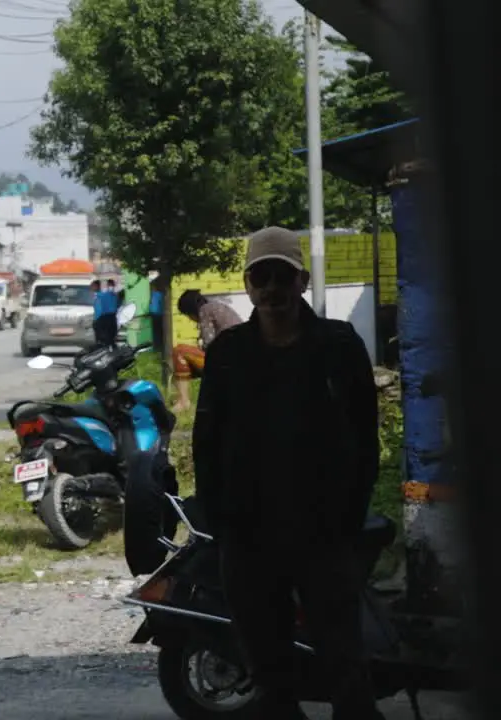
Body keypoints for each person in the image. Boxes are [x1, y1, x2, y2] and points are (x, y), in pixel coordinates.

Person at [193, 226, 382, 720]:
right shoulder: (229, 354)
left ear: (301, 281)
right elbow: (206, 442)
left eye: (283, 275)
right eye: (262, 276)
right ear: (248, 284)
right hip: (249, 535)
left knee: (346, 664)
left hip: (324, 532)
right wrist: (221, 524)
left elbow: (365, 436)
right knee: (269, 674)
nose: (273, 288)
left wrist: (349, 517)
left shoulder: (338, 345)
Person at [171, 288, 242, 412]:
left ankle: (184, 402)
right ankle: (182, 399)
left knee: (179, 351)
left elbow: (209, 343)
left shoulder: (205, 310)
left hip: (226, 362)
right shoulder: (218, 307)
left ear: (190, 311)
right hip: (237, 359)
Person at [91, 278, 120, 346]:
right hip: (105, 318)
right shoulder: (101, 295)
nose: (111, 287)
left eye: (112, 285)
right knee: (106, 339)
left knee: (109, 339)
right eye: (110, 285)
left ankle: (109, 349)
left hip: (108, 318)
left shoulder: (103, 295)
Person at [148, 277, 166, 352]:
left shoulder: (154, 294)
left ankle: (157, 346)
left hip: (155, 315)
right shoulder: (160, 294)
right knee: (159, 331)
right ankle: (159, 346)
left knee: (156, 332)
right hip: (159, 314)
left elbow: (152, 305)